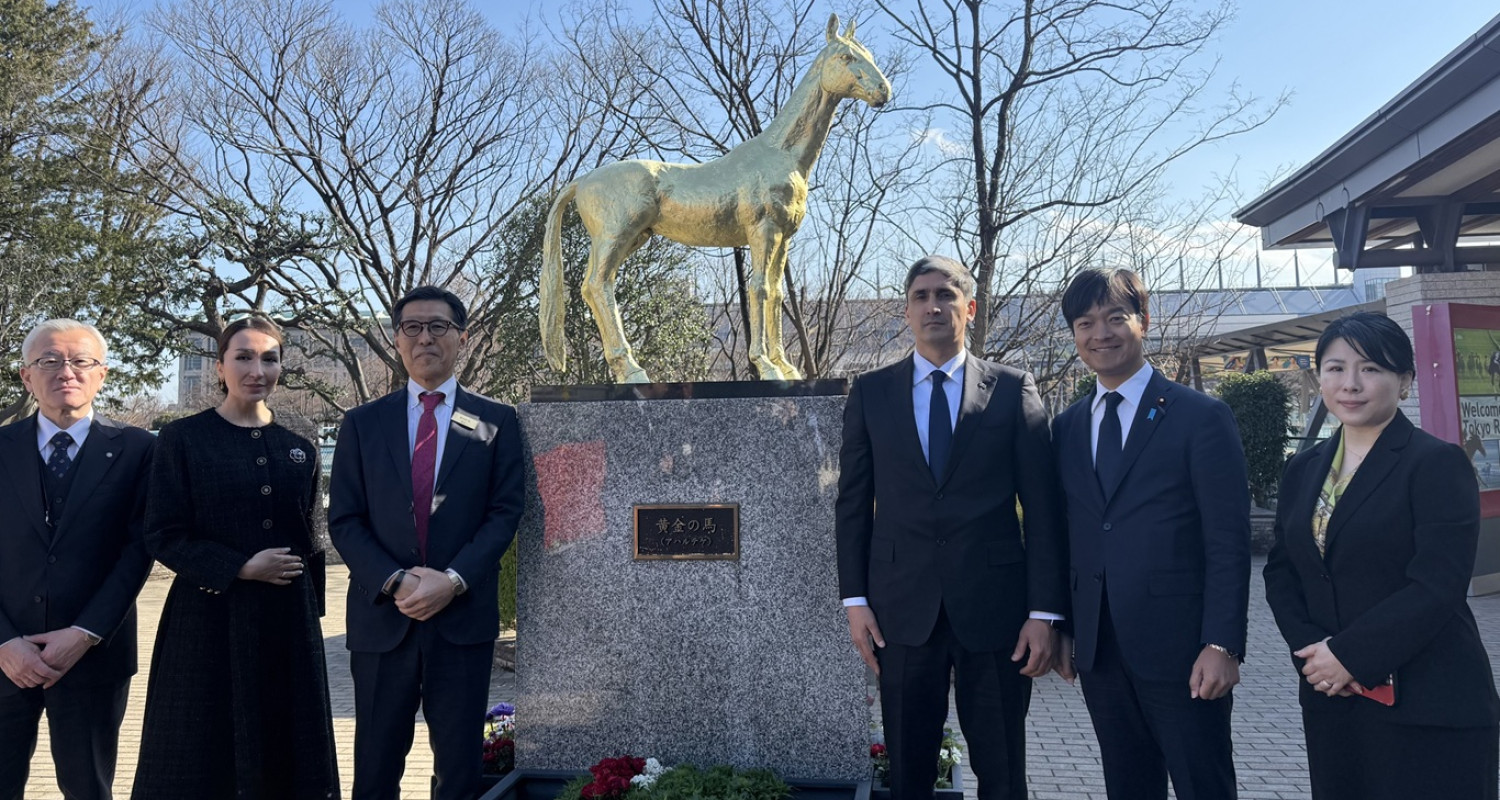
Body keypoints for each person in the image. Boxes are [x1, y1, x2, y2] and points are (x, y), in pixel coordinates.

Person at [836, 256, 1067, 800]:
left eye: (945, 294)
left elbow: (1044, 509)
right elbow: (852, 505)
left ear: (970, 307)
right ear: (907, 311)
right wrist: (855, 601)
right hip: (901, 611)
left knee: (1002, 769)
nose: (933, 305)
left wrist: (1043, 613)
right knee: (909, 770)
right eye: (920, 296)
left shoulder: (1012, 390)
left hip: (997, 613)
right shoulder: (871, 393)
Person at [1263, 311, 1500, 800]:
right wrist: (1315, 655)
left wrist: (1349, 656)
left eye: (1370, 368)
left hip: (1428, 702)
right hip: (1335, 701)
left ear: (1405, 381)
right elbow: (1283, 570)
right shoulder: (1304, 468)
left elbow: (1437, 584)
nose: (1350, 383)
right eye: (1335, 368)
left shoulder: (1435, 463)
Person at [1051, 267, 1250, 800]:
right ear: (1074, 335)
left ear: (1144, 321)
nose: (1101, 333)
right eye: (1085, 322)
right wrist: (1066, 627)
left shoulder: (1200, 417)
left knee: (1203, 784)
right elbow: (1072, 531)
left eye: (1116, 317)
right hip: (1101, 650)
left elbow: (1228, 540)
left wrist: (1223, 643)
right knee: (1127, 785)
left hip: (1184, 650)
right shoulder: (1068, 427)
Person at [131, 316, 339, 799]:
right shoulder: (182, 439)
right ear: (220, 366)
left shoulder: (300, 443)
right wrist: (238, 567)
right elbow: (162, 534)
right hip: (206, 619)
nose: (257, 369)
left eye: (270, 358)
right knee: (201, 747)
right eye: (243, 356)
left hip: (287, 624)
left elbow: (312, 538)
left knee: (286, 747)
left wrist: (312, 614)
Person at [329, 286, 524, 800]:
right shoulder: (362, 423)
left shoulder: (496, 421)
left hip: (461, 622)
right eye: (412, 327)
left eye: (438, 326)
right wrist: (396, 580)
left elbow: (504, 512)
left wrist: (454, 580)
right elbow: (345, 520)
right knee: (374, 765)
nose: (425, 338)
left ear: (461, 337)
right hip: (381, 618)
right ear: (396, 341)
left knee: (459, 769)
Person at [0, 320, 154, 800]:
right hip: (4, 654)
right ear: (26, 376)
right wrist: (4, 641)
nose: (65, 371)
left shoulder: (140, 450)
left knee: (89, 788)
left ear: (102, 374)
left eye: (81, 360)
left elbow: (140, 549)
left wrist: (85, 633)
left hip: (94, 656)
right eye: (49, 360)